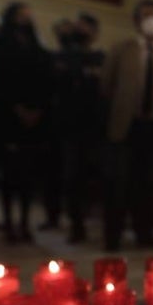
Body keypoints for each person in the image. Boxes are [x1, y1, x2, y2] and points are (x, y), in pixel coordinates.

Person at [100, 0, 153, 250]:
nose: (151, 20)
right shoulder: (121, 50)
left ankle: (145, 232)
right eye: (146, 15)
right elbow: (107, 86)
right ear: (136, 21)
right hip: (128, 125)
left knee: (151, 183)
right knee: (119, 181)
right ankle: (113, 235)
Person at [0, 3, 52, 243]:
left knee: (28, 173)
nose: (26, 18)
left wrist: (37, 109)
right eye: (21, 14)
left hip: (35, 117)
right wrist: (17, 108)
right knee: (9, 173)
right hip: (8, 116)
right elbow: (0, 79)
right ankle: (8, 221)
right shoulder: (2, 45)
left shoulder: (36, 46)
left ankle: (24, 222)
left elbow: (44, 78)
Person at [51, 13, 106, 243]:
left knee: (94, 176)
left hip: (95, 127)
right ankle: (76, 224)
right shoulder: (63, 56)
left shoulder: (100, 58)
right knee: (71, 175)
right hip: (69, 126)